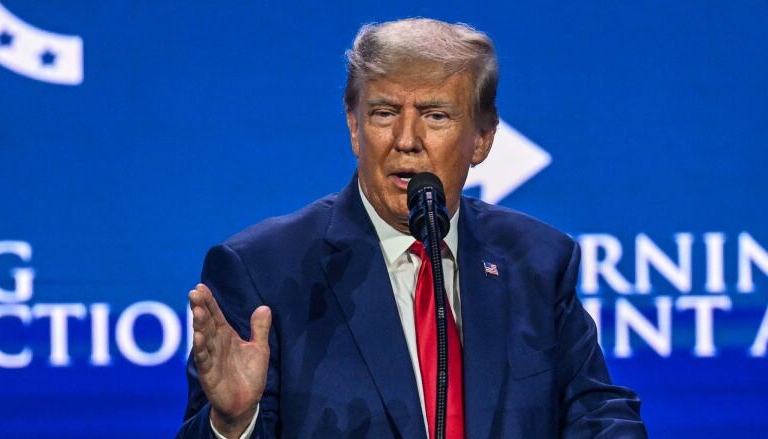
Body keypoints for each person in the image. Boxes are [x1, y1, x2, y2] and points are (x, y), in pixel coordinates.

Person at [178, 18, 647, 439]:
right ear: (355, 127)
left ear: (482, 138)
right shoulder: (265, 270)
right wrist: (233, 425)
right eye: (384, 113)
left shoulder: (538, 261)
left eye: (435, 115)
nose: (406, 141)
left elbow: (593, 409)